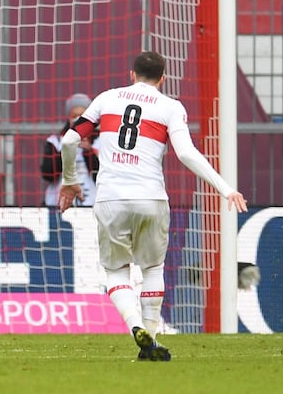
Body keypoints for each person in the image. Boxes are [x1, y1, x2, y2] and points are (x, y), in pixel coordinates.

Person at [58, 51, 248, 361]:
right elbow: (186, 153)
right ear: (163, 79)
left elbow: (69, 141)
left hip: (110, 198)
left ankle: (136, 328)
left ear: (131, 74)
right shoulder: (170, 107)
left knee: (117, 271)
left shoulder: (107, 99)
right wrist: (226, 188)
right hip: (151, 197)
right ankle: (151, 337)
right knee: (152, 268)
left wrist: (69, 180)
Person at [40, 93, 100, 207]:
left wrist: (89, 152)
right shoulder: (55, 141)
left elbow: (103, 175)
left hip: (93, 203)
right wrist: (67, 149)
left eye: (82, 116)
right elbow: (48, 175)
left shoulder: (100, 141)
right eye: (75, 115)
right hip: (59, 204)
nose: (78, 119)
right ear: (69, 117)